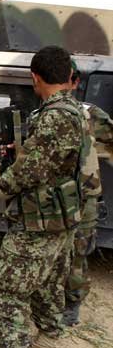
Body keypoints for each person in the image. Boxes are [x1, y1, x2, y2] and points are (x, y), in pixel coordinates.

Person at [0, 46, 87, 348]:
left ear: (36, 77)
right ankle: (47, 343)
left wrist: (6, 180)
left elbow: (31, 170)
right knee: (48, 282)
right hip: (62, 216)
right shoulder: (76, 111)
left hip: (38, 218)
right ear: (68, 75)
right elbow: (55, 160)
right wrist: (21, 151)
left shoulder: (54, 116)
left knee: (7, 287)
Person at [63, 62, 113, 326]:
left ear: (75, 83)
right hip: (52, 199)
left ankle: (72, 305)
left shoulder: (89, 114)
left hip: (83, 197)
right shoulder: (42, 114)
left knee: (78, 252)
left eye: (67, 79)